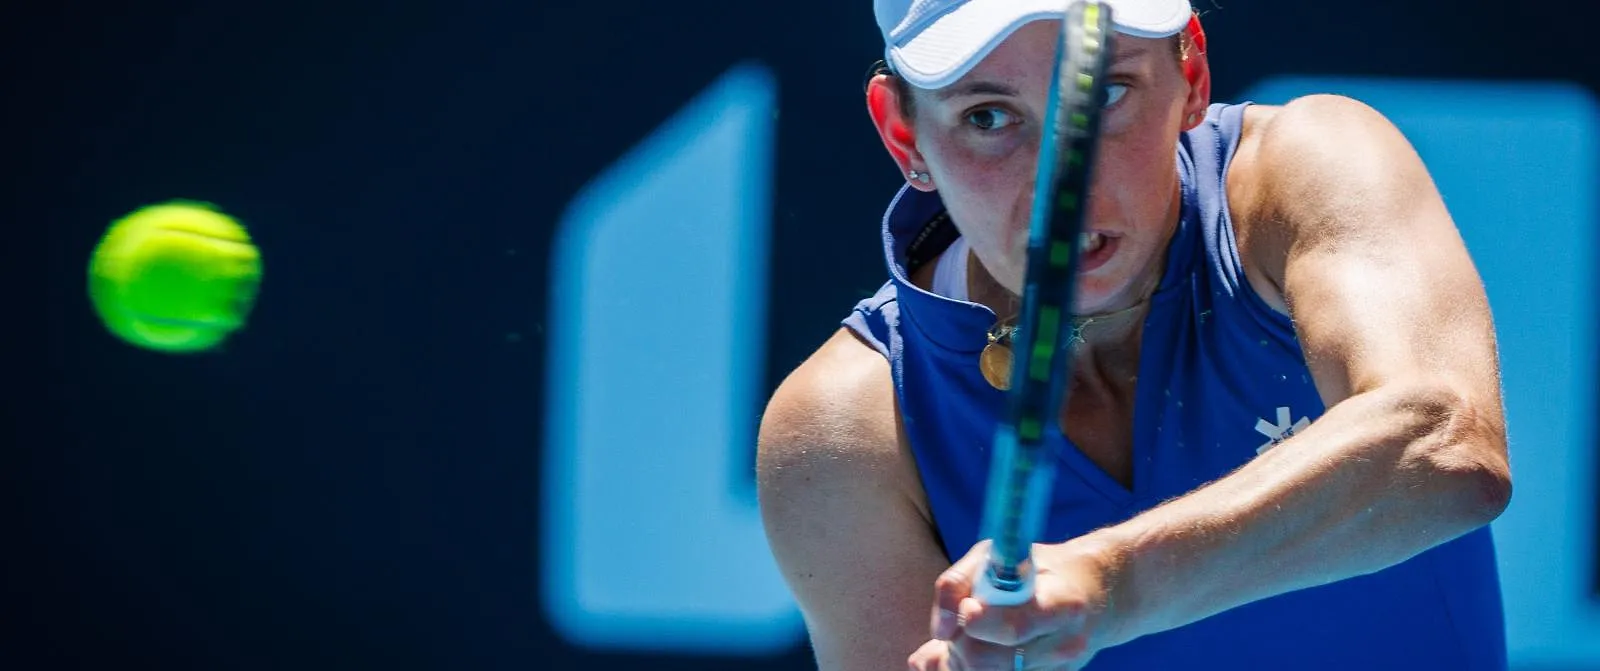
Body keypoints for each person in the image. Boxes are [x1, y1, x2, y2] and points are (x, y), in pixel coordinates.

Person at [755, 0, 1514, 669]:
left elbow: (1448, 444)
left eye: (1105, 94)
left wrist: (1116, 580)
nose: (1062, 179)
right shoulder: (844, 431)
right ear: (904, 134)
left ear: (1191, 74)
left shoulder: (1309, 168)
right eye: (987, 116)